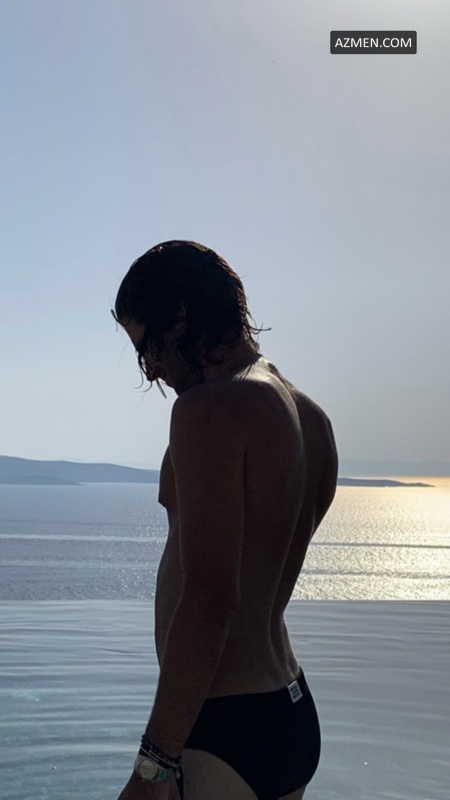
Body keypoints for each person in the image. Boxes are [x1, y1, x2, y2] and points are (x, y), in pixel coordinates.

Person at [112, 240, 338, 800]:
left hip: (222, 729)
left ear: (181, 317)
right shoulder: (312, 419)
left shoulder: (209, 411)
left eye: (148, 347)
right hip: (287, 708)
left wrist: (152, 767)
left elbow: (210, 599)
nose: (151, 369)